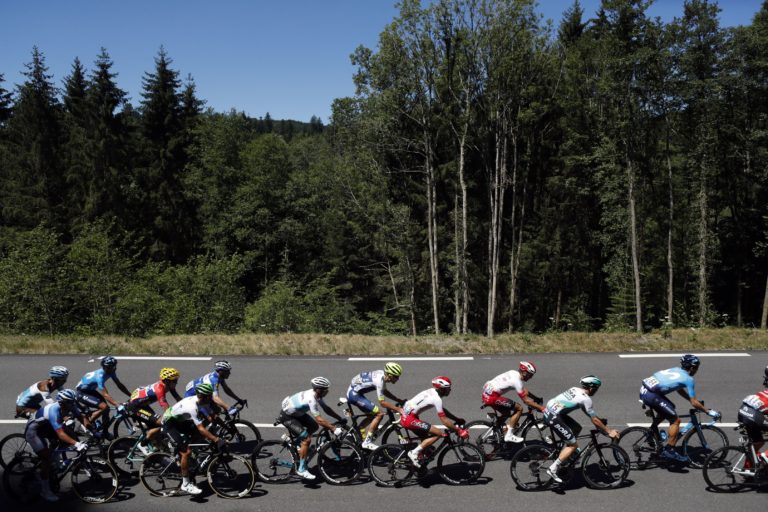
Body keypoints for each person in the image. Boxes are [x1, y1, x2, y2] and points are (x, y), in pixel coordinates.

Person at [639, 354, 720, 463]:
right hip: (652, 395)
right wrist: (708, 411)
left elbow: (679, 388)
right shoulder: (689, 379)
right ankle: (669, 450)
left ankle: (651, 432)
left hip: (645, 390)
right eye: (697, 368)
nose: (697, 370)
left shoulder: (676, 370)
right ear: (692, 368)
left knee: (670, 408)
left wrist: (689, 399)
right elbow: (695, 403)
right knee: (675, 420)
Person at [543, 375, 619, 483]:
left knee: (577, 428)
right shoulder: (586, 399)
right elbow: (594, 420)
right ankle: (553, 468)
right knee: (573, 445)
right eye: (596, 389)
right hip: (554, 417)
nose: (596, 391)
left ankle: (562, 446)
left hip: (550, 411)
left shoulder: (575, 389)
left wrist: (599, 421)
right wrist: (609, 431)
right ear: (591, 388)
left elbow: (590, 415)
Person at [161, 383, 227, 495]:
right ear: (202, 396)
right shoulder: (192, 407)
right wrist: (216, 440)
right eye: (209, 396)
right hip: (169, 425)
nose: (211, 398)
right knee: (186, 452)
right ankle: (185, 484)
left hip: (179, 422)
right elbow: (201, 428)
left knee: (200, 435)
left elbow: (211, 416)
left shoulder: (200, 400)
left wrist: (225, 427)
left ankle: (191, 458)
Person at [24, 389, 89, 502]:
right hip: (34, 432)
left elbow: (81, 417)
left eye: (73, 402)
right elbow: (61, 434)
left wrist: (94, 431)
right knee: (47, 458)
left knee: (66, 439)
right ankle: (45, 491)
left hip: (46, 428)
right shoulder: (53, 410)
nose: (72, 404)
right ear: (62, 402)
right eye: (70, 402)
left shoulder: (69, 405)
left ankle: (55, 465)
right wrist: (77, 444)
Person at [279, 376, 346, 480]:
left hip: (296, 413)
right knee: (307, 439)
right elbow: (320, 419)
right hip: (287, 417)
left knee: (314, 426)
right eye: (326, 389)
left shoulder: (316, 394)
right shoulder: (311, 399)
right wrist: (333, 429)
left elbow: (326, 409)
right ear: (319, 390)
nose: (327, 391)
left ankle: (297, 444)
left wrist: (339, 418)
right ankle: (301, 469)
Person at [400, 376, 469, 468]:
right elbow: (444, 421)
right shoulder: (437, 399)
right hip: (409, 419)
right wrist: (459, 430)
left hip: (407, 415)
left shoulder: (432, 391)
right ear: (441, 389)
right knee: (438, 433)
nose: (450, 390)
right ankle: (414, 453)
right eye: (448, 388)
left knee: (425, 438)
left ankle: (420, 462)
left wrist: (456, 419)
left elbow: (442, 410)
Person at [482, 361, 546, 443]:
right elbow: (526, 401)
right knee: (519, 408)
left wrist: (535, 398)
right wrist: (543, 408)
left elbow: (523, 390)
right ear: (524, 372)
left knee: (507, 413)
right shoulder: (517, 381)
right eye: (530, 375)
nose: (531, 377)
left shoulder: (513, 373)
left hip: (487, 392)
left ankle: (494, 432)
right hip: (492, 397)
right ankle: (509, 435)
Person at [346, 362, 405, 450]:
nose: (398, 379)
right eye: (396, 376)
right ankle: (367, 442)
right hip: (354, 395)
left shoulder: (382, 375)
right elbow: (382, 403)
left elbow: (384, 391)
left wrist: (398, 400)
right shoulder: (379, 380)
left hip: (356, 392)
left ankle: (358, 430)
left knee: (373, 413)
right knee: (379, 414)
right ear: (389, 375)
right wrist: (398, 409)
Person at [125, 367, 182, 452]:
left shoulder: (169, 385)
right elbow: (164, 404)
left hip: (142, 405)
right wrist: (171, 416)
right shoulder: (159, 389)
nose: (176, 383)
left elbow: (178, 398)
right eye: (175, 381)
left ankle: (156, 447)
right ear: (167, 381)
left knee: (157, 426)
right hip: (135, 407)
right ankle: (142, 444)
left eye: (176, 380)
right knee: (164, 422)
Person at [76, 356, 131, 438]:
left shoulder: (110, 371)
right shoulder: (100, 376)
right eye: (109, 367)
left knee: (106, 410)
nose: (112, 369)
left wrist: (131, 395)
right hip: (81, 393)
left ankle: (105, 432)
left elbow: (119, 385)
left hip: (90, 391)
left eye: (113, 366)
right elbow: (105, 394)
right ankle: (84, 426)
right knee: (104, 407)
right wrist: (117, 405)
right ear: (104, 367)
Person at [737, 365, 768, 466]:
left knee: (758, 442)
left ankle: (749, 469)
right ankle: (765, 456)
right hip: (752, 415)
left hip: (743, 410)